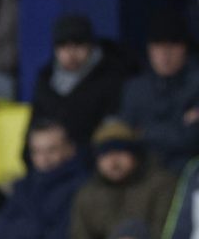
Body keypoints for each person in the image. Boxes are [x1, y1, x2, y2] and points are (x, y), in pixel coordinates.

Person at [59, 119, 176, 239]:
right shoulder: (88, 193)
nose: (113, 162)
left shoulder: (161, 185)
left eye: (120, 152)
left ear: (135, 154)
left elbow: (164, 235)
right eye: (105, 155)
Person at [0, 118, 88, 239]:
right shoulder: (23, 187)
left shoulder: (83, 187)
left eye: (52, 150)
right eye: (37, 151)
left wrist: (25, 232)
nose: (44, 158)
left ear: (69, 149)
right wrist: (37, 228)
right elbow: (1, 231)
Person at [30, 13, 131, 149]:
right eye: (63, 46)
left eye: (78, 45)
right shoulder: (45, 79)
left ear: (91, 46)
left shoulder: (112, 77)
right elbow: (33, 127)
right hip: (48, 162)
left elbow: (111, 129)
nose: (71, 53)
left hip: (91, 161)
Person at [118, 16, 199, 173]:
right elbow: (125, 135)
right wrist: (178, 127)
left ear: (184, 49)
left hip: (186, 171)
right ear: (149, 50)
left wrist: (144, 132)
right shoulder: (135, 88)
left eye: (172, 47)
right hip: (140, 172)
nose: (165, 55)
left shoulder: (196, 84)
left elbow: (192, 139)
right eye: (158, 47)